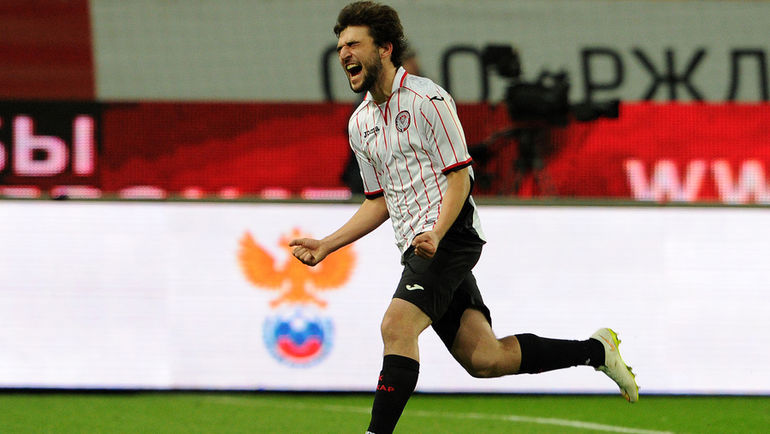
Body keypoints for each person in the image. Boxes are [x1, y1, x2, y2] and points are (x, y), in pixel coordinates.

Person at [290, 2, 639, 433]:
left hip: (450, 235)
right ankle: (596, 351)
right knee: (485, 359)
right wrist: (327, 244)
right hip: (421, 247)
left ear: (384, 48)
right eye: (340, 45)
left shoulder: (428, 100)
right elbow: (377, 201)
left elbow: (460, 178)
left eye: (353, 44)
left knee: (397, 326)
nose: (344, 53)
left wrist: (437, 233)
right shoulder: (360, 123)